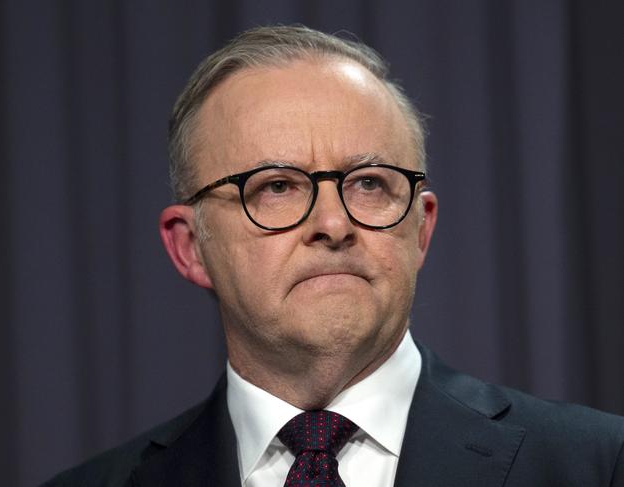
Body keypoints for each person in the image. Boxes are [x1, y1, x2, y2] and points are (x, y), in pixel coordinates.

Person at [43, 25, 624, 487]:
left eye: (369, 183)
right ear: (191, 247)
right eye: (275, 187)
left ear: (420, 230)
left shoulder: (600, 466)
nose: (333, 224)